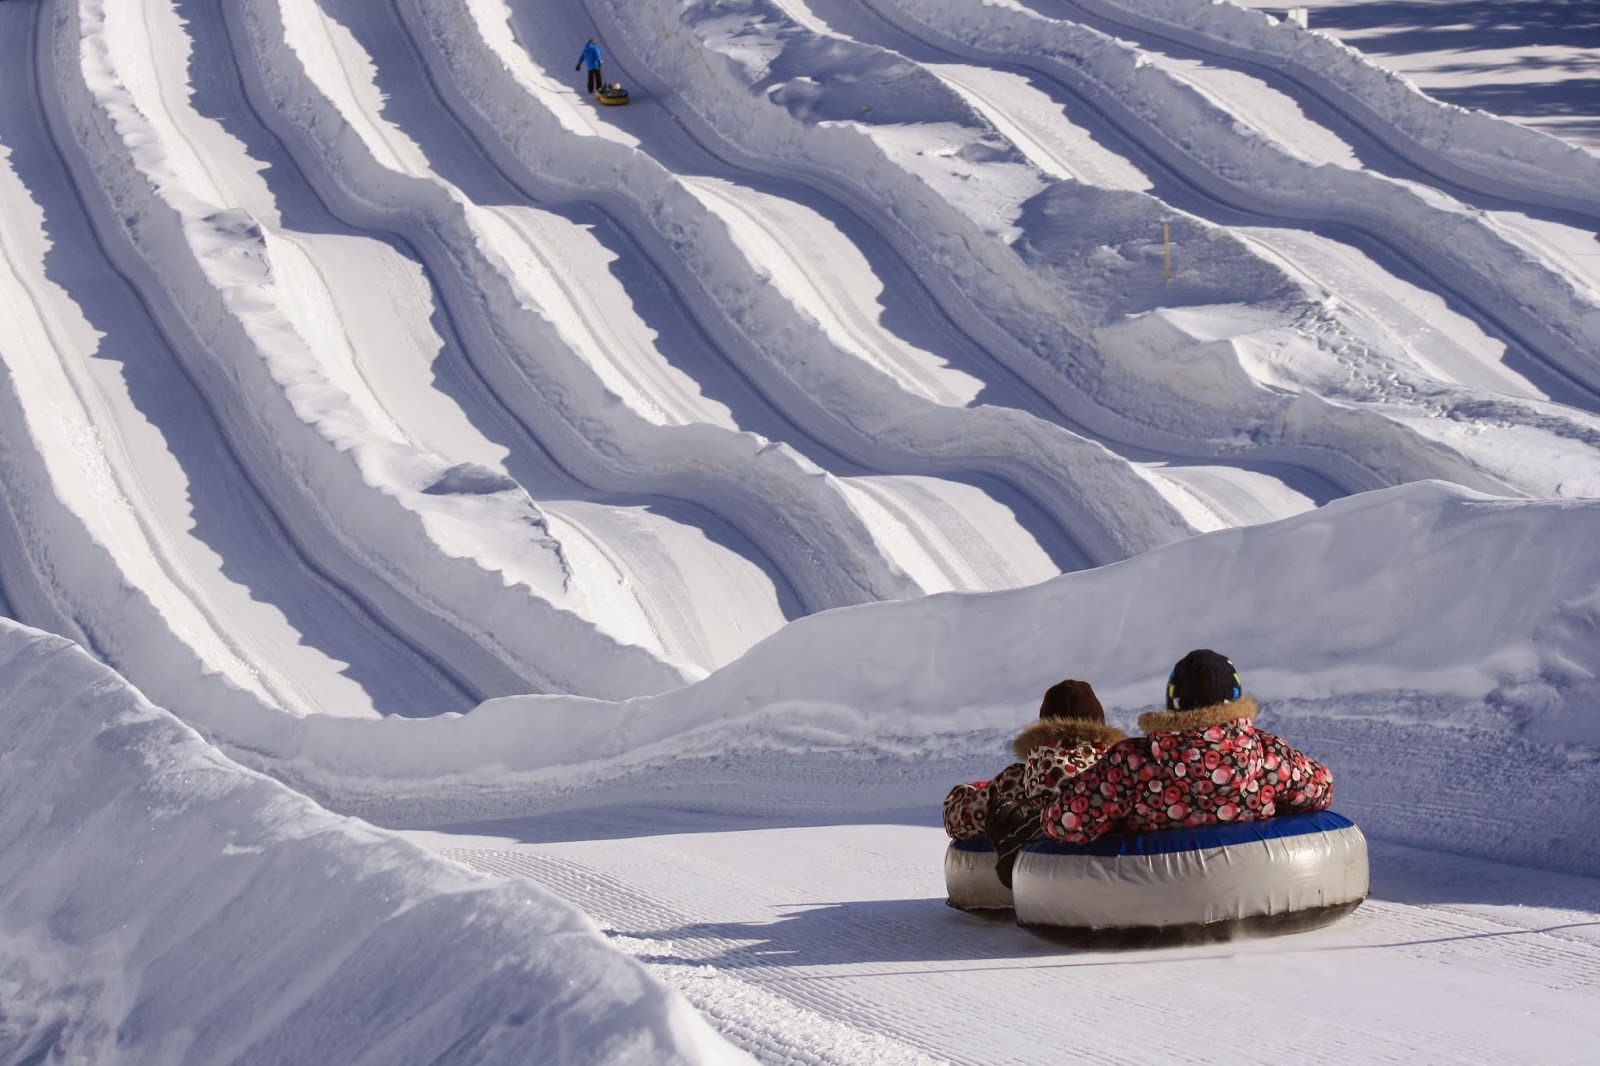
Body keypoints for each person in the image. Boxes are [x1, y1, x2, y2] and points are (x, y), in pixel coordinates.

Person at [1038, 649, 1333, 846]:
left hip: (1153, 895)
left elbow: (1065, 823)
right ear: (1236, 697)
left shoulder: (1130, 762)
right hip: (1256, 886)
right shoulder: (1270, 754)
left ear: (1173, 701)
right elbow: (1321, 789)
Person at [943, 679, 1125, 884]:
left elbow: (958, 819)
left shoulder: (1016, 780)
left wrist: (968, 790)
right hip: (1117, 873)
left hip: (1043, 879)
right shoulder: (1116, 770)